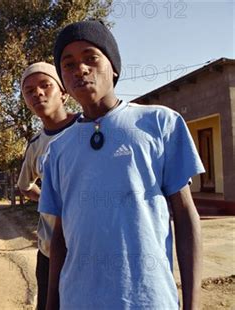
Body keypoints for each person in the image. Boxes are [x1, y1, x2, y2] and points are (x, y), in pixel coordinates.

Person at [39, 20, 205, 309]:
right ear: (64, 80)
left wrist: (192, 305)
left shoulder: (159, 124)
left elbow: (185, 215)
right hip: (78, 301)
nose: (81, 69)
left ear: (113, 66)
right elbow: (60, 237)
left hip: (148, 300)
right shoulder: (58, 151)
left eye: (91, 58)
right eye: (69, 64)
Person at [17, 62, 78, 310]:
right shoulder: (36, 146)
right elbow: (25, 186)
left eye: (45, 85)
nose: (38, 93)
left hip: (86, 250)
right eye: (29, 91)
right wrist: (47, 201)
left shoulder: (89, 128)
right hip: (49, 252)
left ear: (63, 91)